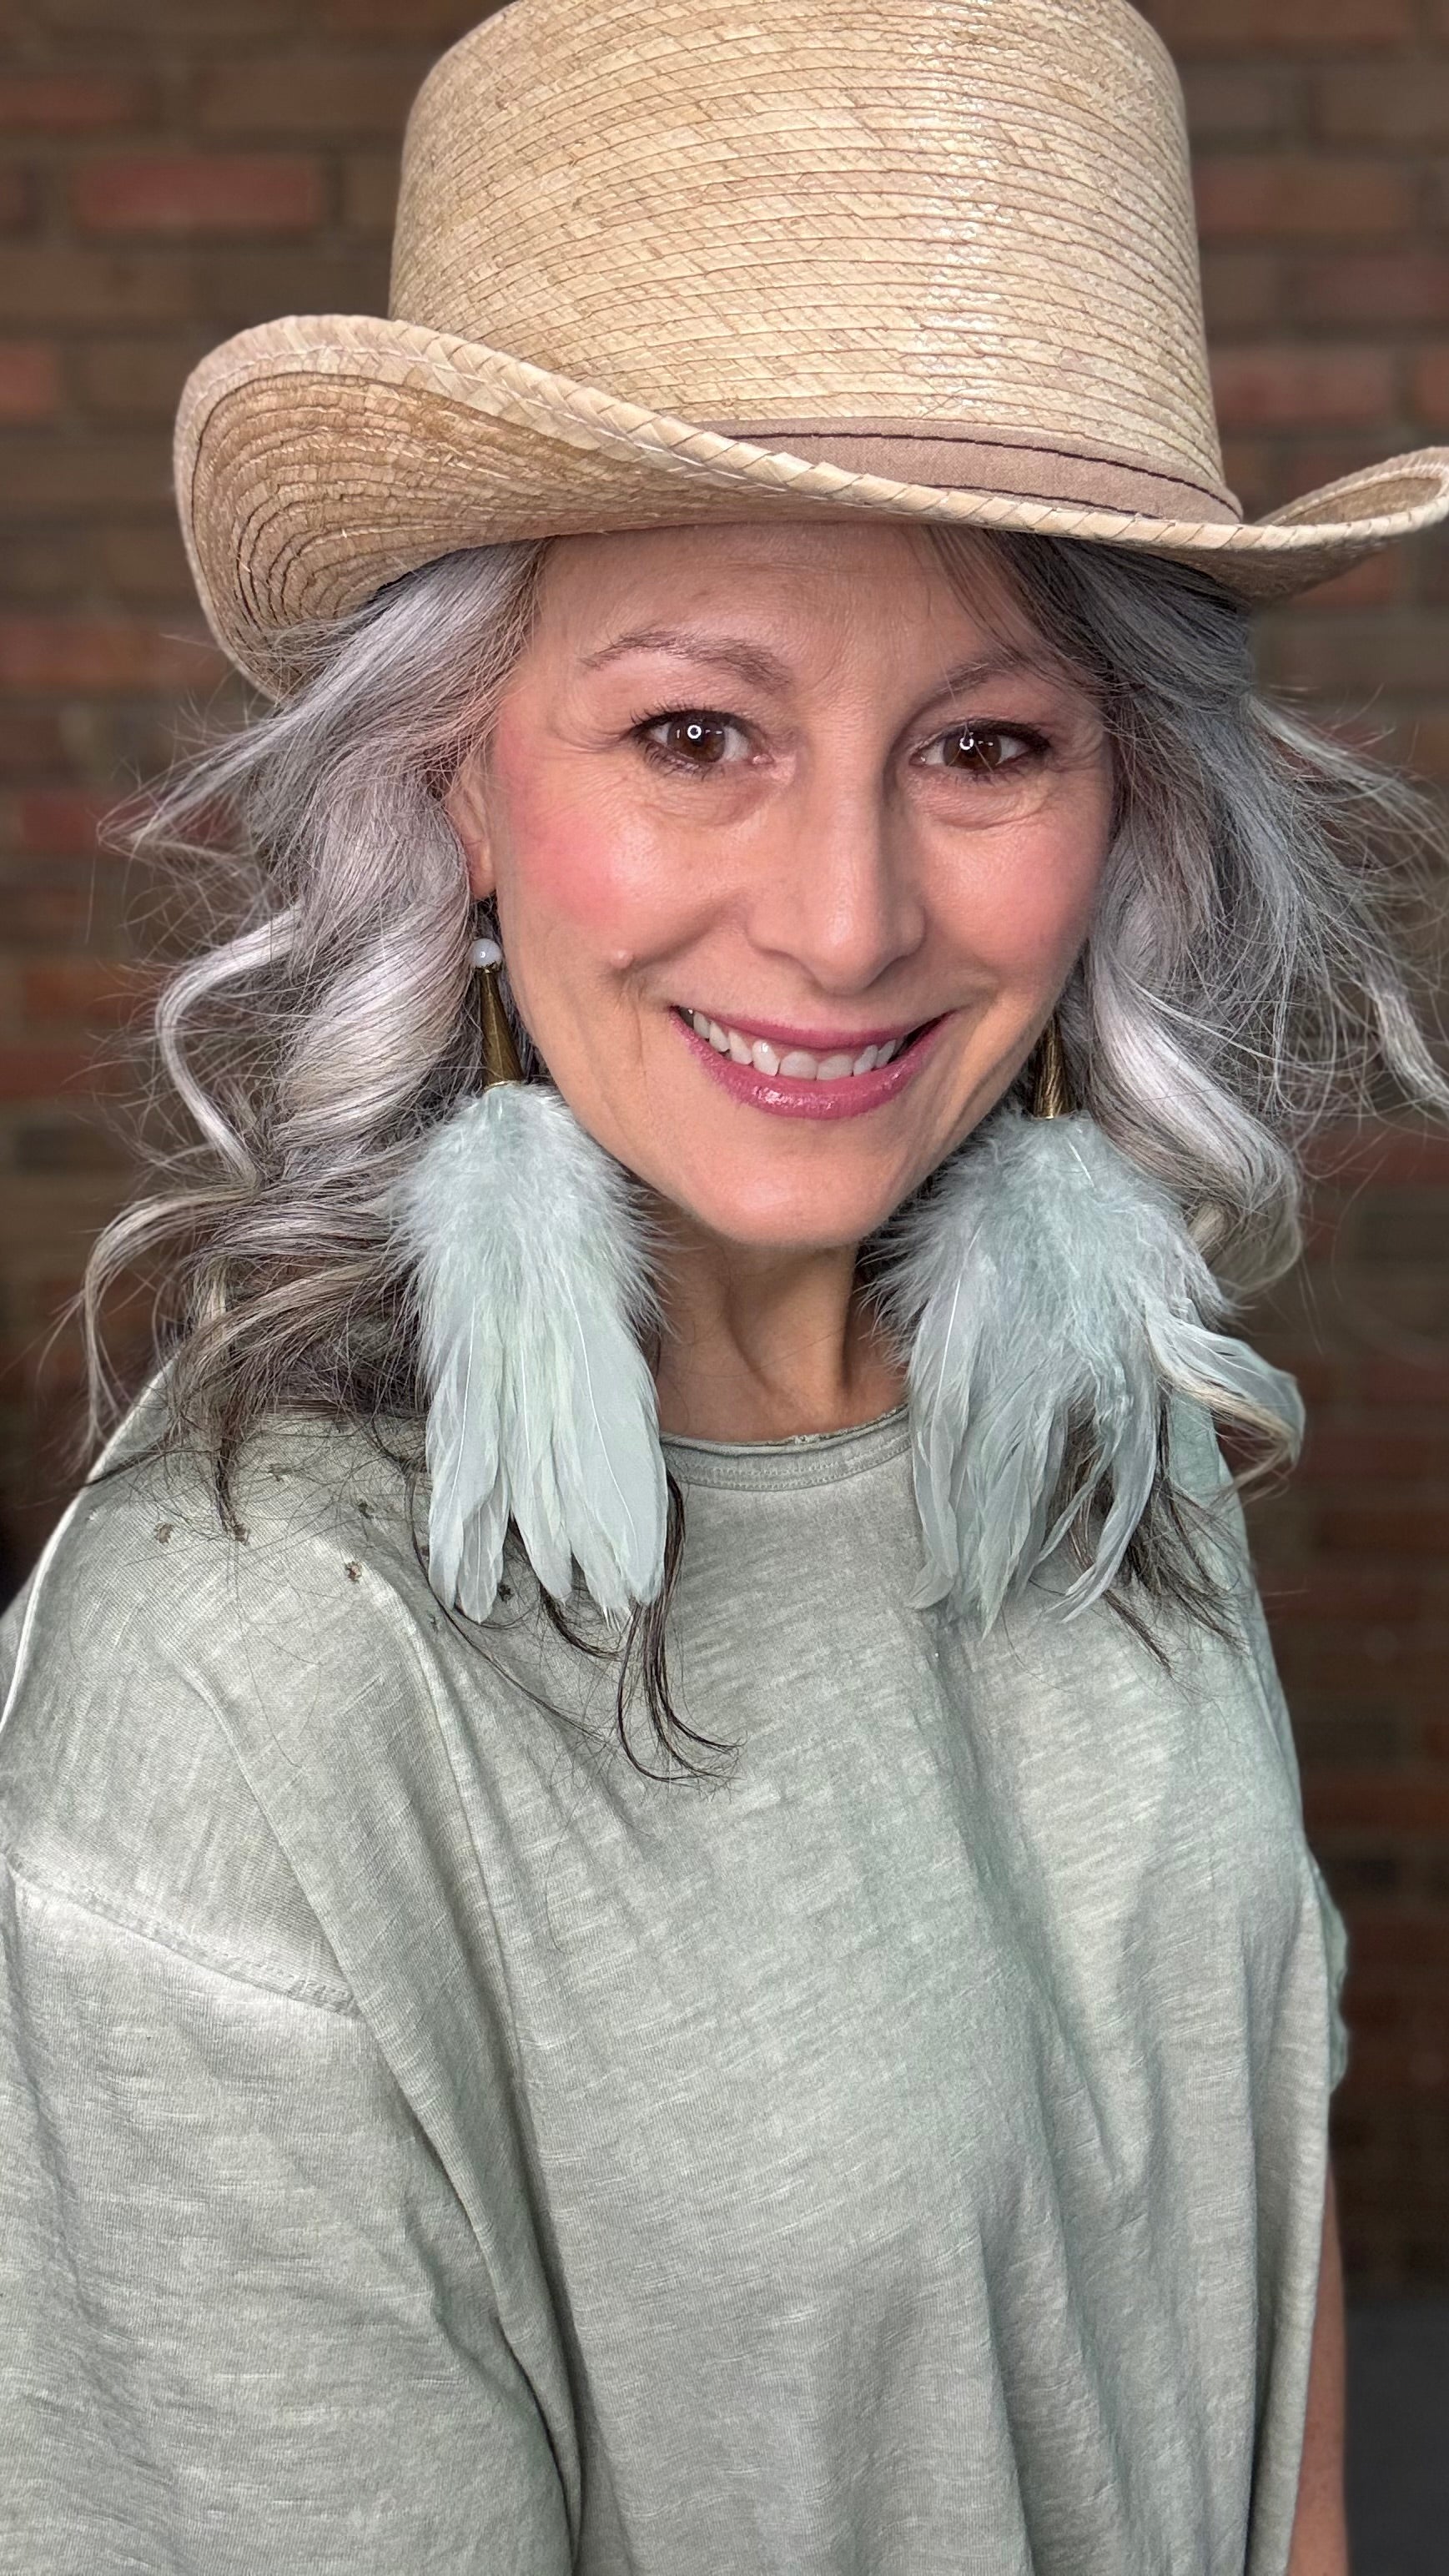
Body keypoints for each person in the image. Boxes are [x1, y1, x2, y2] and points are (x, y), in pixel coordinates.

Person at [3, 0, 1448, 2568]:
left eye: (985, 748)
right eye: (694, 735)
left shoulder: (1103, 1404)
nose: (844, 919)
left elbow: (1256, 2235)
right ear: (451, 778)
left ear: (1121, 808)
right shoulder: (250, 1678)